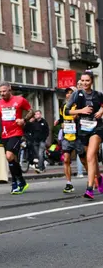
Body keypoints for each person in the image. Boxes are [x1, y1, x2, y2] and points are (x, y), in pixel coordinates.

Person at [64, 71, 103, 199]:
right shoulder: (76, 94)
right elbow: (67, 110)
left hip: (97, 128)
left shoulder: (98, 95)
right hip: (83, 129)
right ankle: (100, 177)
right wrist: (82, 110)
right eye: (82, 81)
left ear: (92, 81)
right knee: (91, 159)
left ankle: (89, 188)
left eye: (87, 80)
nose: (84, 83)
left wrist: (101, 111)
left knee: (91, 155)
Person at [0, 82, 34, 194]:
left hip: (16, 133)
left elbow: (31, 111)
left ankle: (17, 181)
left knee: (9, 155)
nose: (2, 93)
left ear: (10, 90)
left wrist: (23, 120)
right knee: (12, 158)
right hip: (5, 134)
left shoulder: (20, 100)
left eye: (4, 91)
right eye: (0, 92)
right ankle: (19, 182)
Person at [55, 86, 88, 193]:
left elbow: (85, 119)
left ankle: (93, 179)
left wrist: (77, 118)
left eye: (71, 92)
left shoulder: (80, 106)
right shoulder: (64, 106)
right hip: (67, 137)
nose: (69, 95)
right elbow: (62, 118)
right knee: (66, 159)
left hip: (78, 137)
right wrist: (59, 122)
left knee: (84, 160)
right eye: (67, 93)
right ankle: (69, 184)